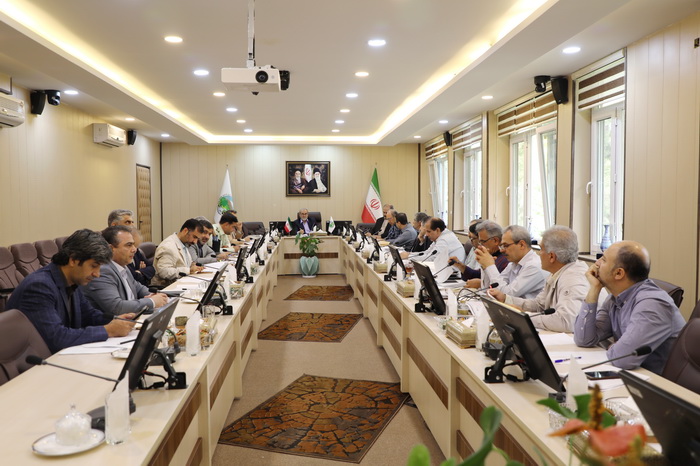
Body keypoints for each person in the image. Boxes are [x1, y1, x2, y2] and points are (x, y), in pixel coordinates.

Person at [6, 229, 136, 354]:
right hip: (37, 364)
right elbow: (57, 338)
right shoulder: (39, 286)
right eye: (94, 266)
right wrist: (108, 330)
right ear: (73, 260)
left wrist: (116, 320)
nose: (97, 274)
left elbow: (88, 315)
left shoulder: (72, 280)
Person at [573, 241, 686, 373]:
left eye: (603, 259)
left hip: (659, 382)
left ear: (619, 273)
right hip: (634, 374)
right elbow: (583, 339)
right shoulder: (614, 298)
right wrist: (594, 289)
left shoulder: (652, 304)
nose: (596, 263)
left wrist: (617, 349)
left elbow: (623, 359)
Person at [488, 225, 589, 333]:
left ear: (551, 256)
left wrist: (525, 317)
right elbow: (539, 305)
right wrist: (505, 299)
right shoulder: (557, 273)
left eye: (541, 249)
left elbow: (566, 322)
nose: (538, 254)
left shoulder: (574, 279)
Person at [83, 226, 168, 315]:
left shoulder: (122, 265)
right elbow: (117, 307)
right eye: (129, 245)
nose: (134, 249)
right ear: (111, 249)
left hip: (132, 318)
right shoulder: (103, 271)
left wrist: (157, 296)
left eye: (133, 245)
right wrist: (152, 301)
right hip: (114, 322)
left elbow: (138, 288)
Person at [475, 225, 546, 299]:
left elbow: (507, 295)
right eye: (501, 246)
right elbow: (490, 289)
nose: (501, 250)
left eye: (506, 245)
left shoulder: (534, 266)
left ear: (521, 245)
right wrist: (485, 267)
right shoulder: (513, 264)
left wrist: (490, 266)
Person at [452, 220, 508, 286]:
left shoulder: (506, 260)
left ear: (495, 240)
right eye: (479, 242)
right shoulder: (491, 254)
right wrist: (461, 266)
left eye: (482, 242)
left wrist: (481, 284)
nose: (480, 246)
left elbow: (501, 286)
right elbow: (478, 275)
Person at [151, 218, 205, 287]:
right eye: (194, 237)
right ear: (185, 231)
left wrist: (194, 266)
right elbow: (163, 272)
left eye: (197, 239)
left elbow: (185, 264)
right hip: (166, 288)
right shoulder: (168, 246)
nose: (195, 242)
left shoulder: (184, 244)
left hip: (182, 284)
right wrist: (188, 270)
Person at [417, 217, 466, 283]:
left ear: (437, 230)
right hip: (444, 272)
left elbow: (431, 258)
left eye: (428, 231)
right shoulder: (440, 236)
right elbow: (427, 253)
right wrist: (409, 255)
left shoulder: (444, 240)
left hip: (454, 277)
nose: (426, 235)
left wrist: (409, 258)